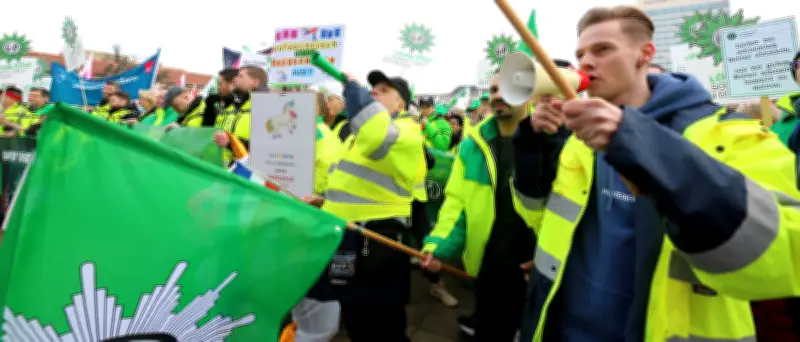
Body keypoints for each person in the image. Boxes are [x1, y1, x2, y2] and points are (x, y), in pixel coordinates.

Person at [512, 6, 800, 342]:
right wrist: (534, 145)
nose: (585, 62)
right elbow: (542, 219)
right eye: (581, 53)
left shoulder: (732, 136)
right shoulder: (581, 141)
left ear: (645, 54)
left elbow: (784, 258)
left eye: (602, 49)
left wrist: (645, 147)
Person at [304, 70, 424, 342]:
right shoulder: (355, 136)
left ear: (400, 104)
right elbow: (353, 183)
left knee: (382, 320)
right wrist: (324, 199)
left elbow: (376, 137)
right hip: (346, 236)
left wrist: (353, 87)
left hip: (377, 238)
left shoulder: (406, 129)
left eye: (383, 90)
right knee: (353, 308)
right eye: (372, 90)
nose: (374, 93)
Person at [287, 91, 344, 342]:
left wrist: (320, 197)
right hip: (302, 213)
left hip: (310, 215)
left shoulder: (320, 135)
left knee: (311, 281)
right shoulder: (299, 132)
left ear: (317, 110)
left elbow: (331, 178)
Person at [212, 65, 267, 165]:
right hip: (226, 171)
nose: (234, 79)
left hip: (248, 173)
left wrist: (231, 143)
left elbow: (267, 147)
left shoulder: (264, 106)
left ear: (253, 82)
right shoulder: (234, 106)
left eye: (240, 76)